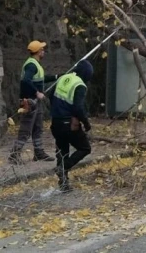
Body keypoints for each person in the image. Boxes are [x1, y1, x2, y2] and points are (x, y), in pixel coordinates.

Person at [9, 40, 58, 164]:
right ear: (38, 51)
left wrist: (57, 77)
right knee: (26, 129)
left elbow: (41, 79)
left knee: (38, 128)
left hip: (35, 102)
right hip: (29, 102)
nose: (44, 51)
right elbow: (26, 81)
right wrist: (37, 93)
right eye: (42, 49)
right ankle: (14, 155)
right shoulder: (31, 65)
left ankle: (39, 153)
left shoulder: (35, 64)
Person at [49, 60, 94, 192]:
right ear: (87, 74)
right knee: (85, 148)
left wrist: (57, 111)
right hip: (69, 124)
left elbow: (51, 95)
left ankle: (63, 184)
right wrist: (86, 123)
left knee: (62, 152)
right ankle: (63, 168)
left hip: (56, 122)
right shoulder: (79, 85)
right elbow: (78, 107)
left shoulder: (64, 78)